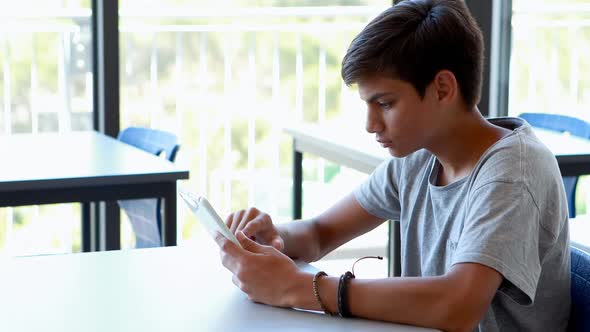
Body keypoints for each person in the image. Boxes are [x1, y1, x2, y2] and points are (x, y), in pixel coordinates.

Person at [214, 0, 571, 331]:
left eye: (384, 104)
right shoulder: (419, 156)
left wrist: (299, 288)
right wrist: (273, 238)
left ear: (443, 88)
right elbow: (321, 233)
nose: (370, 124)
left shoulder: (514, 172)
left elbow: (458, 305)